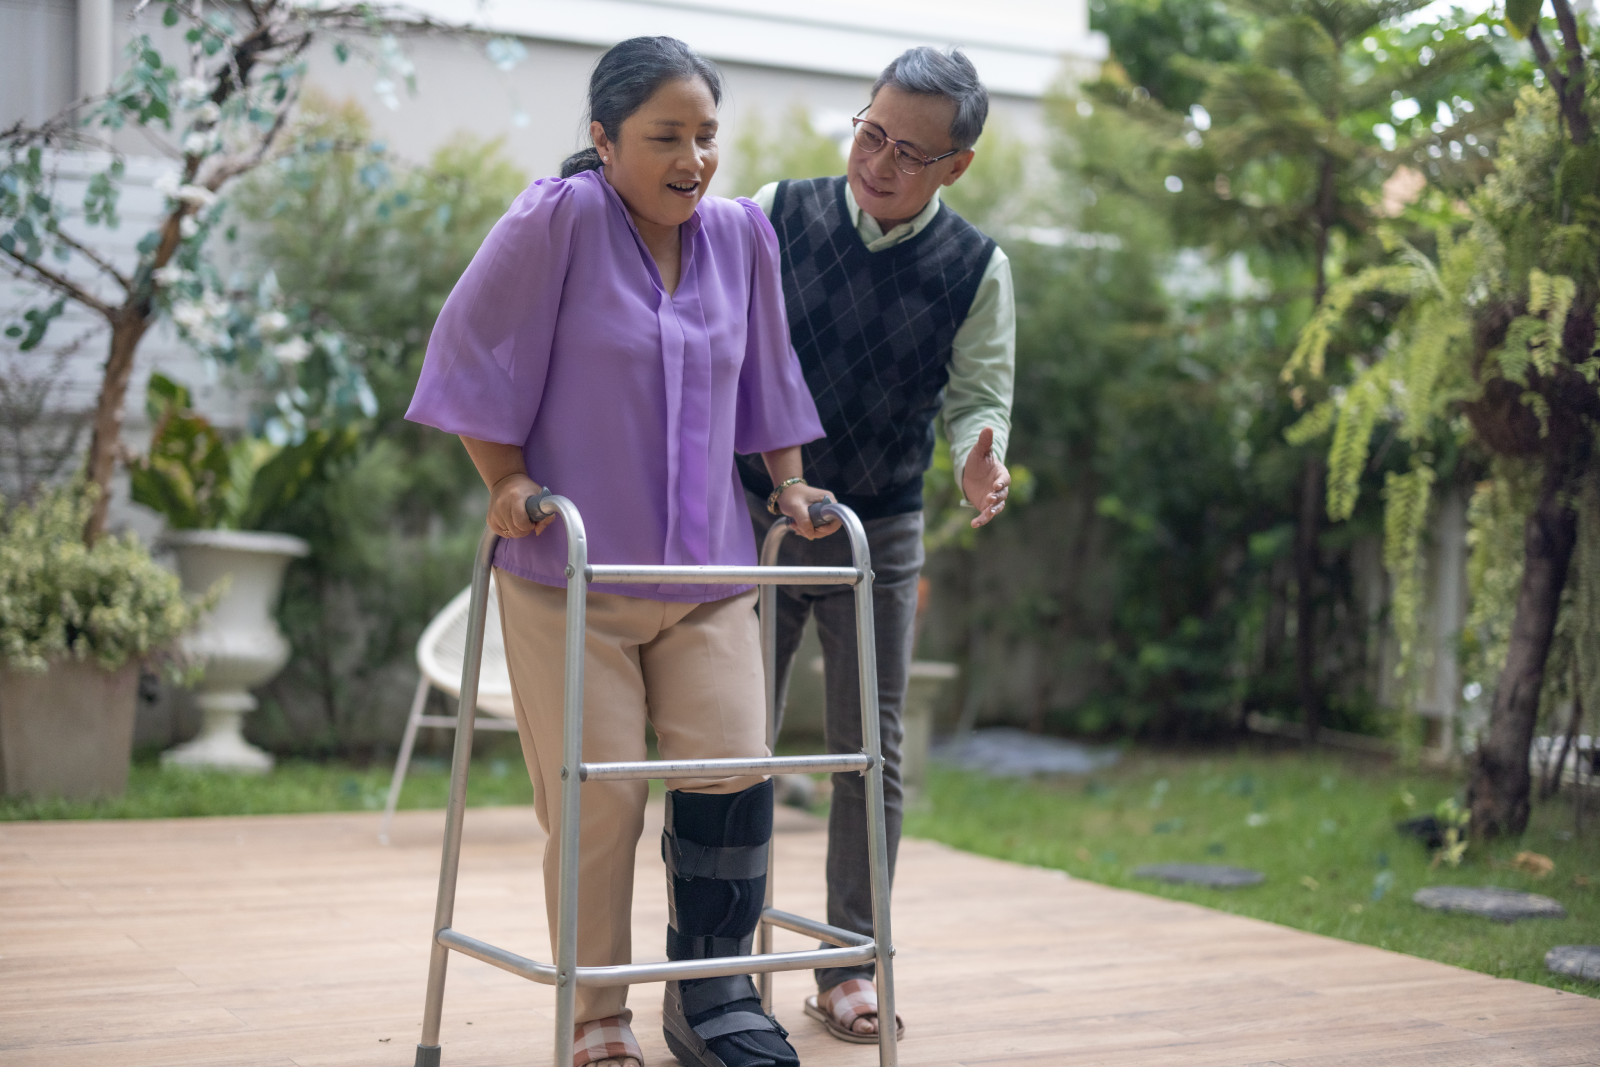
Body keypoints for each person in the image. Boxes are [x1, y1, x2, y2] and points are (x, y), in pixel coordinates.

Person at [406, 37, 840, 1067]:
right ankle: (596, 1012)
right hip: (573, 577)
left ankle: (714, 995)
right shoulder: (558, 218)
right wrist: (505, 479)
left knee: (732, 770)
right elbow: (471, 348)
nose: (693, 160)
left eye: (706, 137)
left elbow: (768, 373)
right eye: (665, 137)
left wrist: (788, 483)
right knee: (601, 800)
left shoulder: (740, 235)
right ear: (603, 140)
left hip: (707, 575)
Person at [739, 46, 1014, 1044]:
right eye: (871, 133)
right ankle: (718, 959)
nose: (879, 161)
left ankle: (847, 963)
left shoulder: (977, 268)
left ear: (956, 165)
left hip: (878, 531)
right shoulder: (776, 212)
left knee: (869, 751)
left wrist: (981, 457)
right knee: (733, 739)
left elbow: (979, 395)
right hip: (753, 519)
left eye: (910, 152)